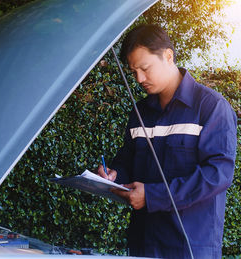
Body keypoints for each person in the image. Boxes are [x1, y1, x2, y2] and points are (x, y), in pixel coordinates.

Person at [97, 24, 237, 258]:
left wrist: (153, 196)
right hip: (142, 242)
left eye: (145, 68)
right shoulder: (140, 111)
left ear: (168, 56)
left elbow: (218, 174)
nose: (139, 78)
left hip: (189, 245)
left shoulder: (211, 107)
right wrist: (113, 175)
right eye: (133, 72)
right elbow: (127, 160)